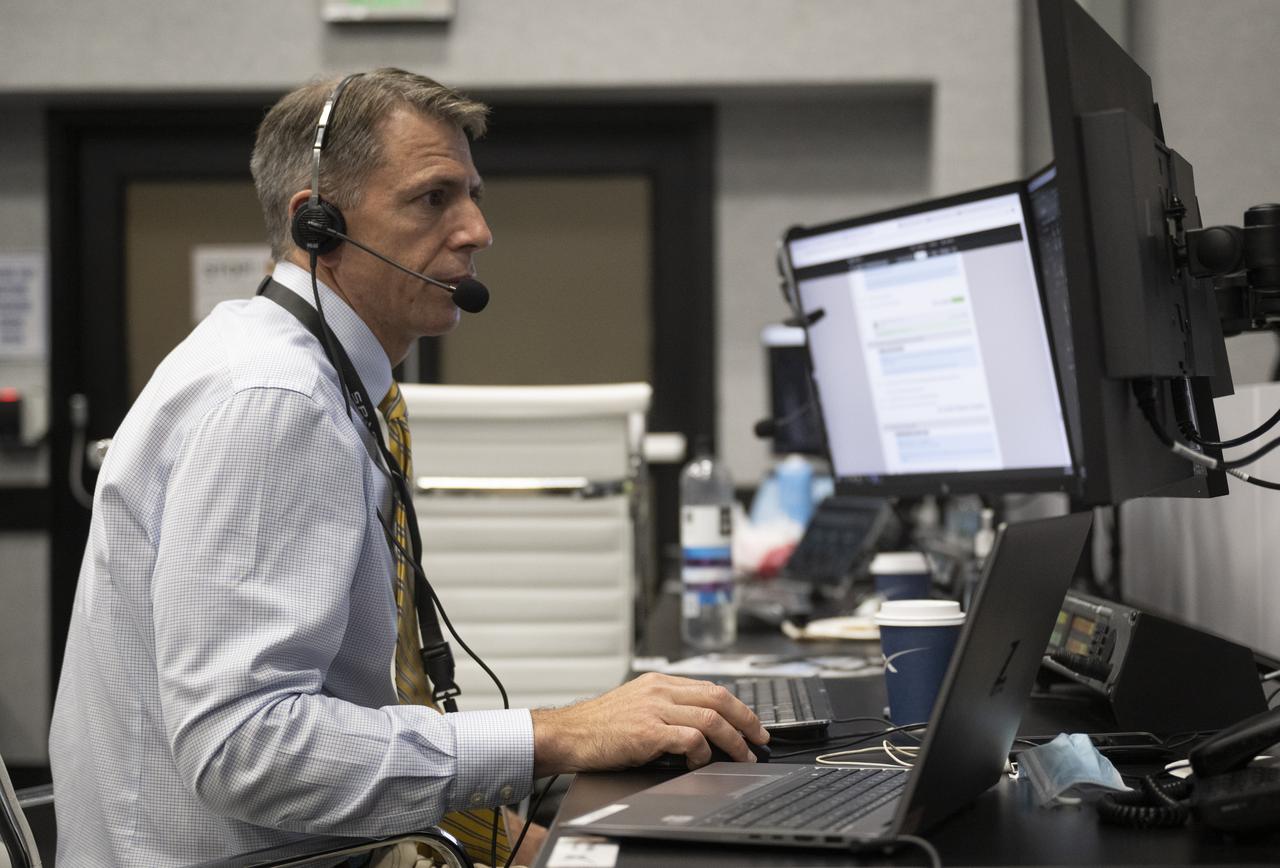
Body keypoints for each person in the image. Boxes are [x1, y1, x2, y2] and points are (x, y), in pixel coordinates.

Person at [48, 68, 768, 868]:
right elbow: (245, 749)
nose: (477, 230)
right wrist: (556, 734)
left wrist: (524, 840)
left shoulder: (316, 375)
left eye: (473, 194)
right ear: (317, 223)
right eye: (434, 198)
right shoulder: (275, 400)